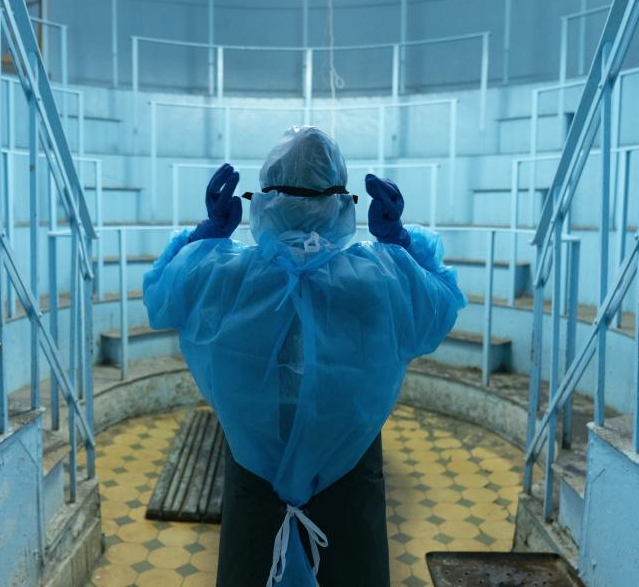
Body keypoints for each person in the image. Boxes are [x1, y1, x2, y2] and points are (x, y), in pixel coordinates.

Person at [143, 126, 466, 586]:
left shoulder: (223, 277)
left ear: (263, 201)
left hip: (255, 483)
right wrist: (399, 242)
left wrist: (207, 233)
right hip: (348, 486)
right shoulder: (380, 278)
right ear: (341, 202)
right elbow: (442, 306)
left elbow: (161, 295)